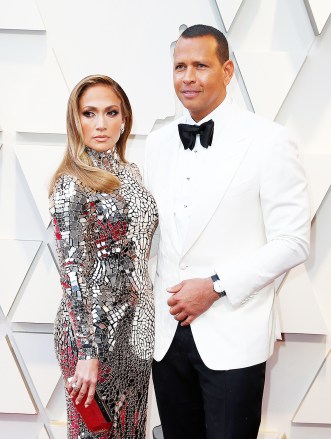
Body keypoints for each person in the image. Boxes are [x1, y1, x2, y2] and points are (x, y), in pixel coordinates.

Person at [144, 24, 310, 439]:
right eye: (180, 66)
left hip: (233, 333)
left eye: (201, 65)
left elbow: (292, 242)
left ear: (228, 70)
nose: (188, 77)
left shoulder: (269, 141)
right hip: (166, 339)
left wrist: (214, 286)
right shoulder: (157, 143)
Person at [49, 74, 158, 439]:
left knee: (131, 431)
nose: (100, 124)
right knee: (95, 433)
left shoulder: (132, 173)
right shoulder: (70, 182)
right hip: (91, 335)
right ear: (75, 120)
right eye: (89, 113)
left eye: (111, 112)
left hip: (137, 329)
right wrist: (87, 351)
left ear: (124, 118)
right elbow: (73, 273)